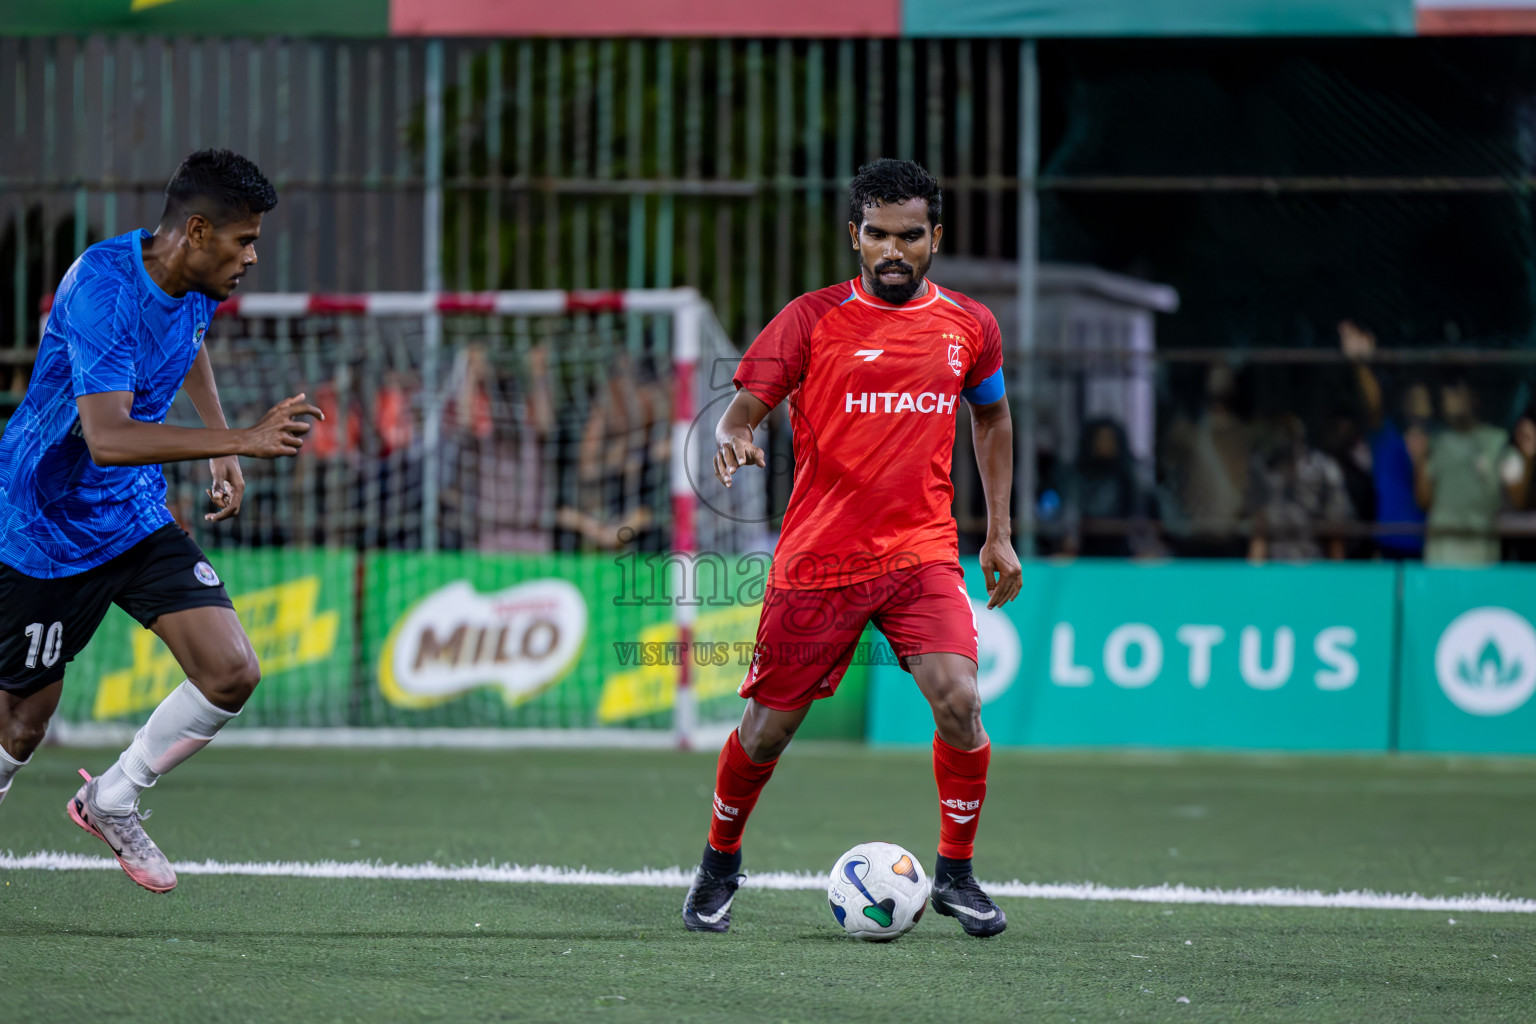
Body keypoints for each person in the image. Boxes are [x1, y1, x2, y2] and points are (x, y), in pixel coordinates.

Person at [682, 159, 1023, 937]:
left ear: (936, 237)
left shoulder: (970, 326)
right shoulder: (809, 319)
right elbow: (742, 412)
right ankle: (720, 861)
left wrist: (998, 531)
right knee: (767, 730)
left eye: (910, 235)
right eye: (877, 235)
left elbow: (993, 418)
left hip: (921, 554)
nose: (893, 250)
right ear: (855, 237)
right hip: (820, 561)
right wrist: (736, 439)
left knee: (961, 700)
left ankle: (957, 877)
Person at [0, 150, 321, 892]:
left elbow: (189, 340)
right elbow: (108, 438)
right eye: (243, 241)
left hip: (131, 510)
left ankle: (112, 797)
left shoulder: (197, 278)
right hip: (46, 524)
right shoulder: (104, 292)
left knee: (232, 670)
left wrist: (220, 449)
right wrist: (242, 439)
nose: (252, 257)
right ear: (198, 230)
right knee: (19, 726)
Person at [1413, 376, 1534, 565]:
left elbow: (1518, 499)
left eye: (1457, 392)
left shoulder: (1496, 442)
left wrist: (1528, 456)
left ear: (1473, 397)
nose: (1451, 400)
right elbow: (1424, 501)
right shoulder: (1436, 443)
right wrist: (1420, 460)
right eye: (1447, 395)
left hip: (1481, 558)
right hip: (1439, 558)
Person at [1338, 319, 1425, 559]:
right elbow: (1373, 408)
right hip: (1388, 545)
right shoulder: (1387, 436)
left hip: (1431, 549)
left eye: (1423, 399)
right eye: (1412, 399)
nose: (1418, 406)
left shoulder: (1438, 439)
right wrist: (1361, 365)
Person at [1244, 414, 1355, 563]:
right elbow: (1260, 530)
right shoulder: (1266, 471)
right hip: (1276, 569)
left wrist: (1337, 575)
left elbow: (1335, 530)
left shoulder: (1324, 469)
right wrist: (1253, 574)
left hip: (1314, 567)